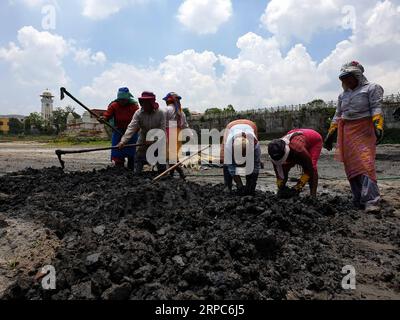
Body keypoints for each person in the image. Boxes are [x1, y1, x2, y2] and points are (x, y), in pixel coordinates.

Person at [324, 61, 384, 212]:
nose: (345, 82)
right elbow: (338, 115)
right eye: (343, 79)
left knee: (365, 163)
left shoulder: (372, 88)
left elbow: (376, 107)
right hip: (347, 132)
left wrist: (378, 125)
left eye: (348, 78)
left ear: (357, 76)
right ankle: (358, 198)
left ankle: (371, 200)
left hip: (364, 130)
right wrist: (331, 133)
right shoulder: (342, 95)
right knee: (351, 166)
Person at [117, 91, 167, 174]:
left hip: (159, 140)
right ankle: (137, 175)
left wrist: (153, 140)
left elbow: (162, 130)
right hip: (143, 139)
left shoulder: (161, 113)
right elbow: (131, 128)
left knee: (161, 162)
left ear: (151, 103)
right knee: (139, 158)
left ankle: (163, 176)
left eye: (146, 103)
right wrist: (123, 141)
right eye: (143, 102)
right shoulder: (138, 113)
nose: (144, 105)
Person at [268, 129, 323, 197]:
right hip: (295, 136)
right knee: (284, 167)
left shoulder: (298, 150)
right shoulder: (275, 149)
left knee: (313, 167)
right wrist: (281, 186)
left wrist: (298, 186)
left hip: (314, 139)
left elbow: (310, 169)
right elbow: (279, 172)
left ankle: (313, 196)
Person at [100, 87, 139, 169]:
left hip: (132, 131)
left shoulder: (134, 106)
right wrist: (104, 118)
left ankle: (131, 168)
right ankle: (119, 169)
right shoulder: (114, 105)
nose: (122, 101)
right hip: (118, 130)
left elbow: (139, 117)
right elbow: (107, 115)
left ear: (128, 98)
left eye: (124, 100)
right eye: (120, 99)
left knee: (132, 152)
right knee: (118, 151)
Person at [221, 120, 261, 196]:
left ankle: (249, 184)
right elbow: (231, 167)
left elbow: (256, 166)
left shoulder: (255, 147)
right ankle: (227, 185)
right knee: (225, 161)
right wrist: (239, 185)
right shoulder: (228, 146)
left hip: (250, 125)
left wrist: (252, 184)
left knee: (252, 163)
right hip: (231, 127)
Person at [163, 92, 189, 179]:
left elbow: (162, 123)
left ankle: (180, 172)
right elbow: (185, 125)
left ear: (168, 101)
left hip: (169, 133)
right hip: (178, 133)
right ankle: (171, 175)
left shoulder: (166, 110)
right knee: (173, 157)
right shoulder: (181, 112)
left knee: (171, 157)